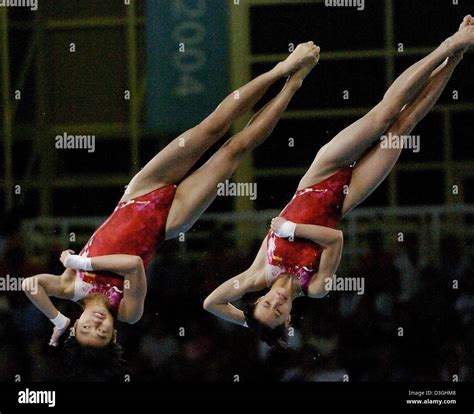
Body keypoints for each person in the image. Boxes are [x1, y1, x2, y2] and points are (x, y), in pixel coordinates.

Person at [21, 42, 320, 358]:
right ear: (113, 337)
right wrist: (80, 262)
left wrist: (57, 319)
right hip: (169, 221)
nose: (96, 325)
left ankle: (282, 69)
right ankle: (293, 85)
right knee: (233, 150)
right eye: (102, 334)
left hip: (138, 193)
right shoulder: (128, 311)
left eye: (85, 329)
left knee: (211, 127)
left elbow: (30, 286)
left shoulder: (68, 286)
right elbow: (134, 265)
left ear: (76, 323)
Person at [203, 16, 474, 347]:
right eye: (277, 313)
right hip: (344, 199)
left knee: (383, 114)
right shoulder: (316, 288)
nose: (275, 304)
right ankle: (458, 56)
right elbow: (335, 239)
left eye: (265, 305)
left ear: (257, 299)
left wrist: (250, 323)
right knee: (403, 126)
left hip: (318, 177)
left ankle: (448, 45)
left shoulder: (258, 275)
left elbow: (211, 304)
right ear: (288, 319)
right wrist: (291, 231)